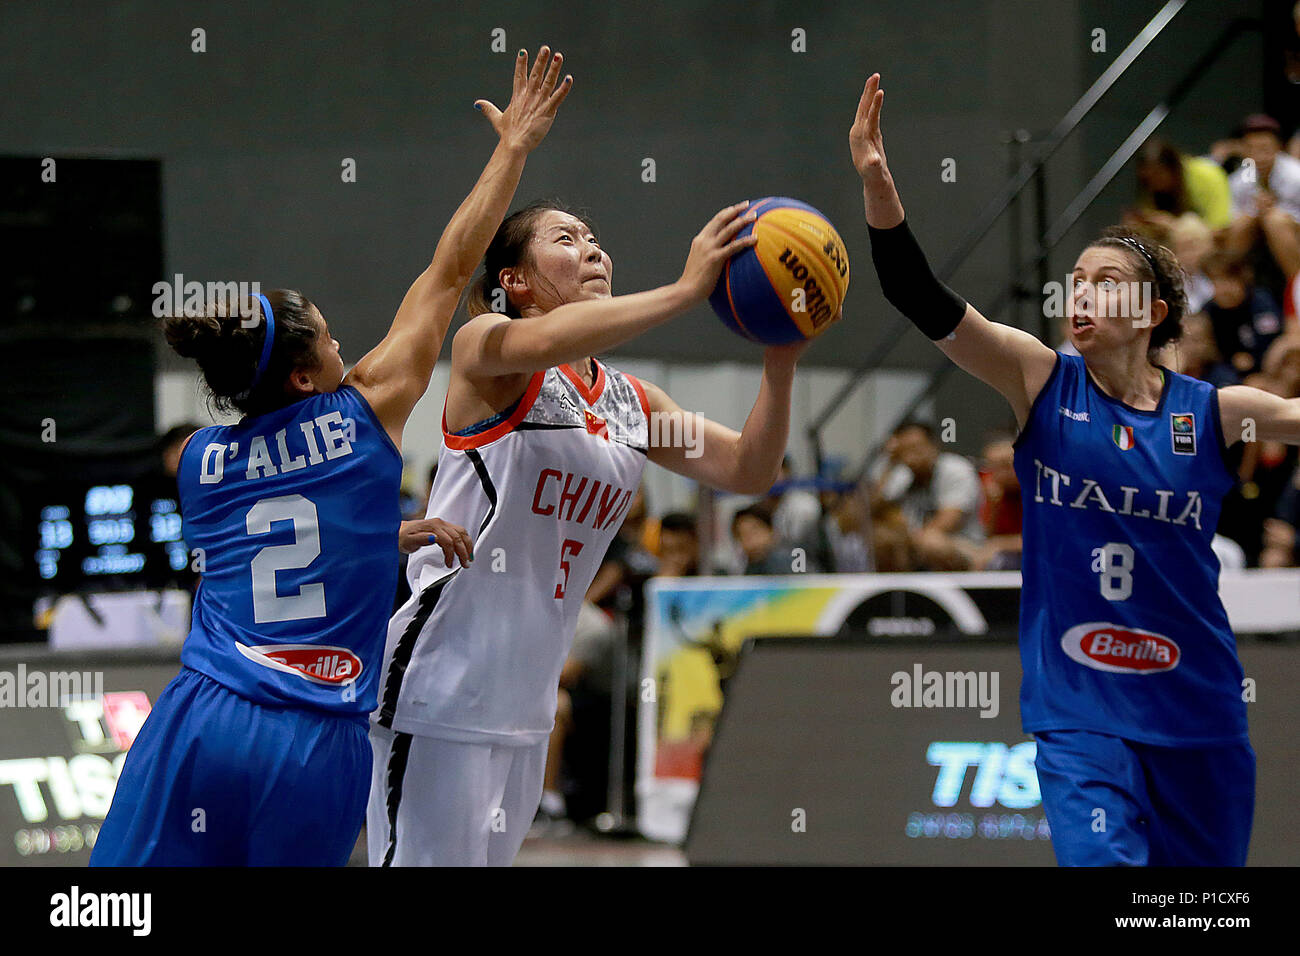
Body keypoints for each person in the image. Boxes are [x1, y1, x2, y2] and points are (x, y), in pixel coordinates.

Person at [89, 46, 568, 866]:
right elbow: (452, 269)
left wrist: (386, 532)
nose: (350, 340)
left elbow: (276, 542)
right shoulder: (366, 413)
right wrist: (513, 149)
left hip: (201, 717)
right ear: (308, 373)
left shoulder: (200, 462)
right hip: (314, 737)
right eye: (331, 333)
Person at [851, 72, 1300, 866]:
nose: (1079, 293)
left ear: (1155, 313)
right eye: (1076, 279)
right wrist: (880, 188)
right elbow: (917, 294)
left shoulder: (1214, 410)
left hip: (1199, 708)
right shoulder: (1040, 379)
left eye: (1106, 282)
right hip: (1081, 706)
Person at [367, 193, 810, 862]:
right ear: (514, 282)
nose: (593, 249)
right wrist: (688, 289)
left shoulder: (633, 403)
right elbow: (547, 341)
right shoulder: (488, 351)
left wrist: (780, 361)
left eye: (595, 238)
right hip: (441, 685)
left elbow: (749, 469)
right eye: (566, 239)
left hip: (526, 701)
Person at [870, 420, 983, 571]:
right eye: (904, 451)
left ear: (933, 446)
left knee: (931, 542)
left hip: (961, 543)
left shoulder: (955, 469)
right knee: (881, 538)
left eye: (916, 448)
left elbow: (947, 522)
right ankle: (898, 593)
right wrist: (890, 463)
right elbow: (873, 509)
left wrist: (907, 540)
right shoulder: (903, 474)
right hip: (916, 541)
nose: (911, 457)